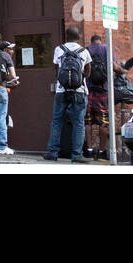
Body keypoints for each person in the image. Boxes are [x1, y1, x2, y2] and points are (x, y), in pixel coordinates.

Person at [45, 26, 92, 163]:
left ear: (66, 36)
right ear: (79, 37)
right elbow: (88, 72)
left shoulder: (59, 49)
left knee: (56, 121)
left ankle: (53, 153)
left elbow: (57, 69)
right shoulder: (84, 51)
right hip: (79, 91)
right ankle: (76, 155)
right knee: (78, 122)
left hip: (61, 91)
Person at [84, 34, 115, 160]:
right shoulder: (107, 49)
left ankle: (90, 150)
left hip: (89, 90)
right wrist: (123, 71)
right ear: (100, 41)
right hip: (104, 90)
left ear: (91, 42)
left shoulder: (86, 50)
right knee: (104, 122)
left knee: (88, 122)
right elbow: (113, 66)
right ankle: (102, 151)